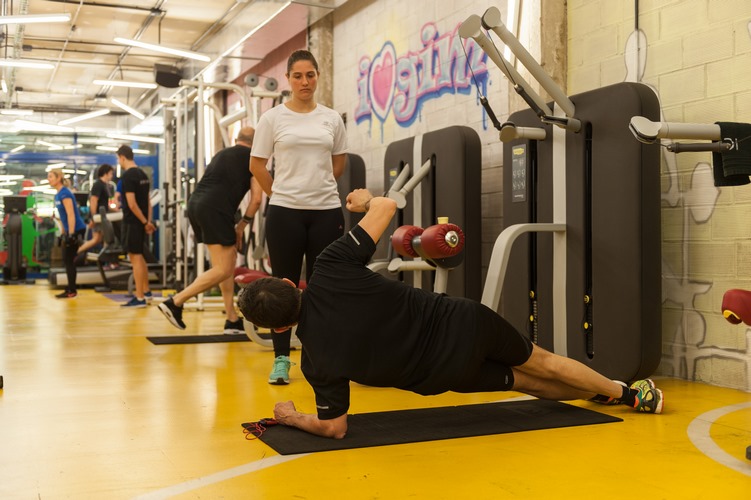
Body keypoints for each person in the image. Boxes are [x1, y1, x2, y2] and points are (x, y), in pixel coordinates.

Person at [238, 189, 665, 439]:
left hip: (445, 373)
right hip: (464, 323)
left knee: (530, 384)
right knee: (545, 361)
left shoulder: (317, 363)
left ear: (278, 327)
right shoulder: (330, 267)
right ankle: (628, 395)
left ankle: (602, 394)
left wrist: (292, 417)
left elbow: (335, 428)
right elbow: (387, 207)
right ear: (293, 284)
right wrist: (363, 200)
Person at [250, 49, 348, 384]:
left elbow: (338, 162)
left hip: (325, 210)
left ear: (318, 76)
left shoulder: (331, 118)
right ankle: (281, 359)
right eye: (297, 76)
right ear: (289, 79)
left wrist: (316, 185)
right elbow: (257, 164)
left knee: (325, 287)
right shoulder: (273, 118)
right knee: (284, 286)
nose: (305, 82)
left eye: (310, 75)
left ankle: (321, 356)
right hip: (285, 212)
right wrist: (278, 192)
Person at [158, 127, 262, 333]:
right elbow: (257, 199)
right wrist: (242, 225)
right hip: (217, 209)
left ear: (236, 139)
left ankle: (232, 319)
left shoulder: (222, 153)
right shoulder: (254, 158)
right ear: (257, 141)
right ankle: (175, 302)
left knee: (225, 266)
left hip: (196, 205)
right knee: (223, 269)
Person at [117, 145, 155, 308]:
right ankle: (146, 292)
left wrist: (145, 222)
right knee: (140, 257)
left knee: (135, 258)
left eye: (118, 159)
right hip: (141, 222)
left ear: (122, 158)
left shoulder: (128, 176)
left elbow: (132, 204)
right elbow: (148, 202)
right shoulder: (142, 174)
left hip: (133, 222)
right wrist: (148, 221)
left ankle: (139, 297)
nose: (119, 162)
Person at [48, 169, 87, 299]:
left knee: (69, 260)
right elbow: (63, 216)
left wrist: (71, 234)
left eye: (51, 177)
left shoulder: (65, 193)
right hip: (70, 229)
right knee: (67, 260)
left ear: (59, 178)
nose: (49, 179)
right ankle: (71, 288)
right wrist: (63, 233)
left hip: (76, 229)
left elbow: (71, 214)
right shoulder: (58, 194)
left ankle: (72, 290)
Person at [77, 164, 115, 257]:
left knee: (102, 239)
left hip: (104, 216)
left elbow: (106, 203)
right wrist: (93, 217)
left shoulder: (107, 186)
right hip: (98, 216)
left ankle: (106, 259)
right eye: (110, 173)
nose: (112, 176)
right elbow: (93, 201)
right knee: (99, 239)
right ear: (105, 173)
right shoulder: (98, 185)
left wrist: (115, 210)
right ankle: (76, 252)